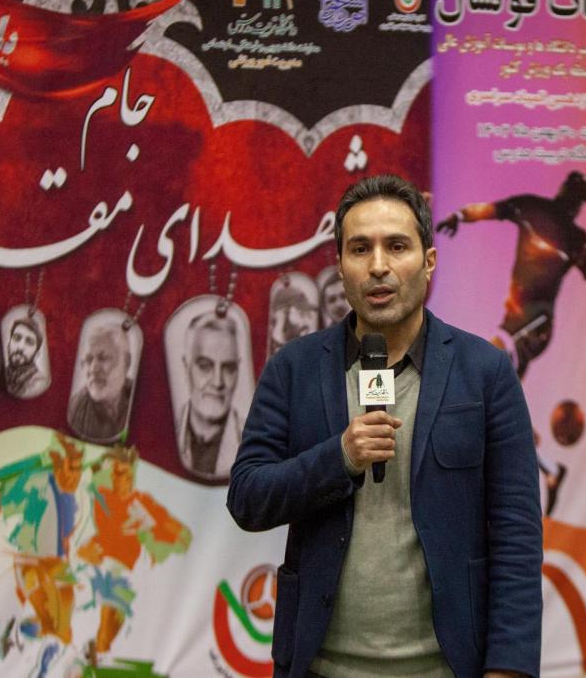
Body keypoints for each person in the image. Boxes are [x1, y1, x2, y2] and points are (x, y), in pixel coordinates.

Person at [228, 175, 542, 678]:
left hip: (446, 667)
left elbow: (516, 535)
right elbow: (248, 496)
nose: (378, 266)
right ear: (340, 266)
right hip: (319, 666)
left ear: (429, 261)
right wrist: (340, 458)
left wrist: (509, 668)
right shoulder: (294, 369)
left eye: (397, 246)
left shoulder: (485, 372)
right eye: (360, 249)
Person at [434, 170, 586, 377]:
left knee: (495, 351)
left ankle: (468, 387)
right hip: (516, 313)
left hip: (539, 319)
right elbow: (489, 209)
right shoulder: (531, 206)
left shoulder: (577, 239)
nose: (575, 204)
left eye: (579, 199)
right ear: (563, 190)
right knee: (505, 384)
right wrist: (459, 215)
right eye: (574, 195)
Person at [0, 431, 84, 644]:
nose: (75, 476)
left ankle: (36, 633)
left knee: (63, 625)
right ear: (58, 463)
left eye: (79, 469)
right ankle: (28, 633)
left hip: (56, 560)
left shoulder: (69, 494)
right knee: (50, 614)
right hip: (30, 561)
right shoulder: (37, 482)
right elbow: (1, 495)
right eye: (72, 468)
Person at [76, 444, 192, 661]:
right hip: (100, 568)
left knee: (114, 613)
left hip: (127, 573)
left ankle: (99, 652)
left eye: (125, 473)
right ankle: (97, 651)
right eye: (116, 473)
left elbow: (182, 536)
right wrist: (85, 551)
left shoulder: (142, 503)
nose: (121, 479)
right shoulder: (102, 497)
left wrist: (152, 530)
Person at [176, 312, 244, 482]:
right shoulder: (162, 430)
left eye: (228, 368)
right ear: (186, 368)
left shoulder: (253, 441)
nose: (217, 382)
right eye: (205, 366)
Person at [68, 326, 133, 444]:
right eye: (88, 360)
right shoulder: (76, 408)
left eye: (103, 358)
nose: (93, 369)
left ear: (126, 363)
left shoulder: (141, 397)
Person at [268, 282, 320, 356]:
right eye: (301, 313)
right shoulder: (277, 337)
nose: (304, 321)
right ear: (285, 312)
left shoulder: (299, 334)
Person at [5, 317, 50, 399]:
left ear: (37, 354)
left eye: (29, 342)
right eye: (16, 338)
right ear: (8, 344)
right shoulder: (5, 374)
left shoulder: (37, 382)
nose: (20, 347)